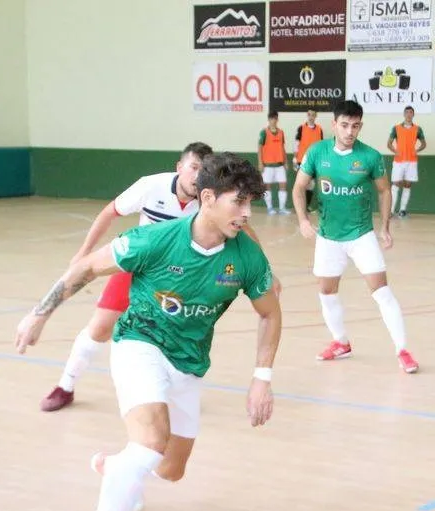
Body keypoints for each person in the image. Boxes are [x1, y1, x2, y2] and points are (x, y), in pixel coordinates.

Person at [15, 152, 281, 511]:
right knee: (151, 441)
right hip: (140, 344)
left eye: (250, 203)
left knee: (171, 470)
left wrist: (262, 377)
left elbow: (270, 313)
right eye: (238, 202)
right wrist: (39, 315)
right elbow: (87, 267)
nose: (247, 213)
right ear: (208, 198)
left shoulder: (246, 256)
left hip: (189, 363)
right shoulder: (155, 239)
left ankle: (116, 467)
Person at [39, 143, 281, 415]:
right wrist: (84, 252)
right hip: (141, 265)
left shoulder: (211, 203)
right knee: (100, 327)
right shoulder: (151, 186)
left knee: (176, 331)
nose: (196, 175)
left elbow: (244, 229)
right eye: (193, 167)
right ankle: (66, 384)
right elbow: (109, 212)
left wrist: (266, 270)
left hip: (178, 275)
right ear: (179, 167)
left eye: (202, 170)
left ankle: (168, 386)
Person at [293, 99, 419, 374]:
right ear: (334, 124)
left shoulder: (370, 157)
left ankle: (403, 350)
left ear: (361, 126)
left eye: (355, 126)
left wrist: (385, 227)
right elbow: (299, 187)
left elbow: (385, 190)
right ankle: (341, 343)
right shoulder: (316, 152)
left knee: (381, 291)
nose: (350, 131)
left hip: (361, 235)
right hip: (328, 237)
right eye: (345, 125)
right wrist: (303, 220)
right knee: (327, 292)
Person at [385, 105, 425, 217]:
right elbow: (389, 143)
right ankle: (391, 211)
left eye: (410, 112)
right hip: (399, 160)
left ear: (413, 114)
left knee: (407, 184)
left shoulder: (418, 129)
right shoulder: (396, 128)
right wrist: (395, 151)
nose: (408, 114)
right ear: (404, 114)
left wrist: (417, 150)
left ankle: (402, 210)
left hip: (412, 161)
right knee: (395, 184)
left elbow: (424, 144)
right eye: (407, 112)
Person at [257, 110, 289, 215]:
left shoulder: (281, 132)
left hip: (280, 165)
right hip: (268, 165)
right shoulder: (264, 132)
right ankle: (270, 208)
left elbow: (282, 147)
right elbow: (259, 148)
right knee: (267, 187)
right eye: (271, 119)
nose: (273, 121)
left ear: (277, 119)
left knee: (283, 185)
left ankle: (282, 208)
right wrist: (260, 163)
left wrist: (286, 162)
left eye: (275, 118)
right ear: (268, 120)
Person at [293, 109, 323, 211]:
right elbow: (296, 144)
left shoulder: (319, 129)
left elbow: (320, 146)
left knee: (311, 185)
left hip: (314, 162)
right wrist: (295, 158)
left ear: (315, 116)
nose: (311, 117)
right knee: (301, 184)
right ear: (307, 115)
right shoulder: (301, 128)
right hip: (302, 161)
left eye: (313, 115)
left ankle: (307, 207)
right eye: (309, 115)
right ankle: (300, 207)